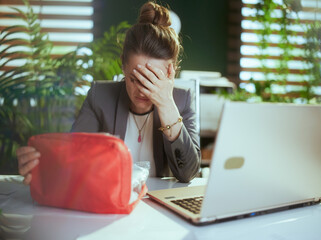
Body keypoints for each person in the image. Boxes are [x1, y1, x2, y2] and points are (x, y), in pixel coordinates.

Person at [16, 1, 201, 184]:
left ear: (171, 72)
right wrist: (47, 165)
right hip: (108, 203)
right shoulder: (100, 97)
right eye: (135, 79)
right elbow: (73, 154)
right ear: (123, 65)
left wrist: (167, 105)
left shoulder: (182, 101)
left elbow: (188, 174)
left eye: (152, 81)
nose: (143, 91)